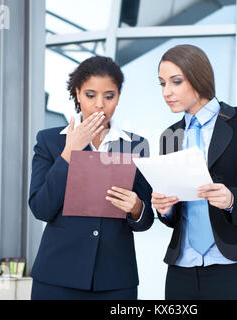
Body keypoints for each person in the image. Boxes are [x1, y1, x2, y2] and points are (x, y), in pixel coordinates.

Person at [151, 44, 237, 300]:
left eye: (175, 82)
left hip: (232, 266)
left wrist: (232, 199)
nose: (167, 92)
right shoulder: (170, 135)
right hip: (181, 269)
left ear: (198, 77)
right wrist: (165, 209)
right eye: (162, 83)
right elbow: (173, 217)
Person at [29, 56, 154, 300]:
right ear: (77, 94)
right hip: (57, 277)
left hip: (115, 280)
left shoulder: (136, 145)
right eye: (90, 95)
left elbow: (146, 219)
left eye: (109, 96)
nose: (100, 105)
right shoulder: (50, 141)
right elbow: (41, 208)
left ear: (118, 95)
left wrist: (137, 207)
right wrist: (70, 151)